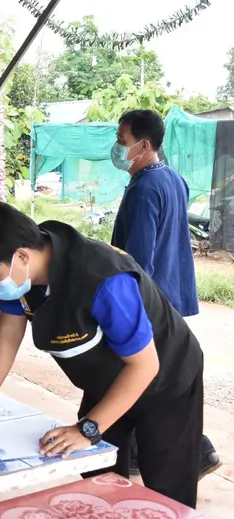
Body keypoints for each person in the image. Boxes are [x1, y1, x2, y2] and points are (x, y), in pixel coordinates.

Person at [0, 202, 204, 508]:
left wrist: (89, 428)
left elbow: (144, 365)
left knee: (166, 493)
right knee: (99, 478)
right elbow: (7, 337)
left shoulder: (103, 279)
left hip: (166, 380)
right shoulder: (23, 276)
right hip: (106, 381)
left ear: (21, 256)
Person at [110, 109, 219, 479]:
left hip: (151, 300)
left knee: (147, 380)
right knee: (161, 378)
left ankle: (196, 450)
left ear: (143, 145)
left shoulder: (143, 189)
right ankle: (150, 450)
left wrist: (129, 308)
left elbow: (139, 260)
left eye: (122, 141)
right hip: (173, 295)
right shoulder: (173, 179)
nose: (118, 147)